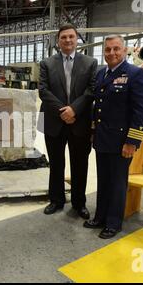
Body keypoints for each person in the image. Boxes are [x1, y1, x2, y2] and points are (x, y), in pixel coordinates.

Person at [83, 35, 143, 239]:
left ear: (124, 51)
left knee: (117, 182)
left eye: (116, 49)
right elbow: (99, 107)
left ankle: (113, 222)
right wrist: (93, 132)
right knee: (103, 180)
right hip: (103, 139)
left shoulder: (136, 74)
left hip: (122, 142)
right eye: (107, 50)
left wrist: (132, 141)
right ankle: (100, 216)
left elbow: (142, 112)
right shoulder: (102, 73)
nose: (111, 53)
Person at [38, 24, 97, 218]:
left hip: (79, 121)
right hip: (54, 121)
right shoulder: (47, 63)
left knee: (80, 164)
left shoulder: (90, 63)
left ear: (77, 39)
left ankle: (79, 203)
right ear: (58, 41)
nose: (68, 40)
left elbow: (91, 90)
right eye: (64, 37)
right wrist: (63, 110)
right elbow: (43, 91)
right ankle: (56, 200)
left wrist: (74, 109)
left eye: (71, 37)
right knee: (56, 164)